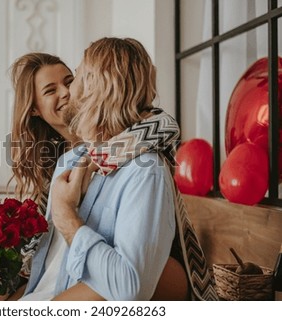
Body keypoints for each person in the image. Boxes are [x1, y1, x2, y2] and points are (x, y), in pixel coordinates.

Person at [20, 38, 217, 301]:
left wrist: (66, 215)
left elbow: (128, 290)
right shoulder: (69, 162)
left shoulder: (145, 171)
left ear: (96, 88)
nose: (68, 91)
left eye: (74, 77)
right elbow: (49, 272)